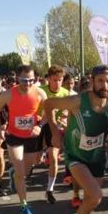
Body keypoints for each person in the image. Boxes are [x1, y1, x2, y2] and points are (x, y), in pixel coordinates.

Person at [44, 65, 108, 214]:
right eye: (100, 80)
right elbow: (48, 104)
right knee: (96, 196)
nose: (104, 85)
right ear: (93, 81)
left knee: (90, 198)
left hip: (97, 156)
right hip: (75, 154)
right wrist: (54, 132)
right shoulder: (77, 100)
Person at [0, 65, 47, 214]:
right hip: (13, 135)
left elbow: (49, 112)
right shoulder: (8, 94)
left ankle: (13, 174)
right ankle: (24, 206)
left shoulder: (40, 93)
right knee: (21, 174)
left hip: (31, 136)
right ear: (18, 79)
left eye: (31, 80)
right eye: (24, 80)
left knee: (28, 168)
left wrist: (39, 125)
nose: (28, 83)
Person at [39, 66, 71, 204]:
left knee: (54, 158)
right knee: (34, 160)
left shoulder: (65, 93)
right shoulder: (41, 91)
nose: (57, 83)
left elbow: (69, 111)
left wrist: (64, 114)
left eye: (60, 80)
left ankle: (49, 190)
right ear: (48, 79)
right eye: (54, 80)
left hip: (56, 128)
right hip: (41, 125)